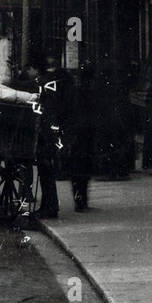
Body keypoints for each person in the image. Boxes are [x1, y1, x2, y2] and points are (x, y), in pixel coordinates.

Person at [34, 54, 72, 219]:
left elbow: (48, 110)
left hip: (49, 131)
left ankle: (49, 206)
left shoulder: (47, 83)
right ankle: (49, 205)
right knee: (48, 169)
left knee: (45, 169)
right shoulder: (65, 81)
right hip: (60, 129)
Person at [67, 63, 97, 211]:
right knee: (82, 173)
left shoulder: (75, 92)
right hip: (83, 136)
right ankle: (81, 203)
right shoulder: (88, 93)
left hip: (76, 136)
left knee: (78, 173)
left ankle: (80, 201)